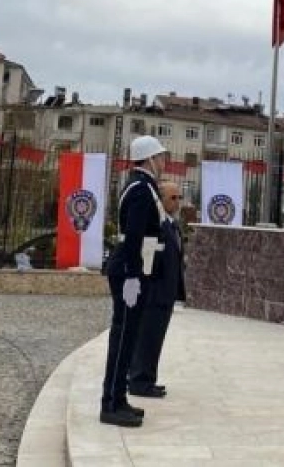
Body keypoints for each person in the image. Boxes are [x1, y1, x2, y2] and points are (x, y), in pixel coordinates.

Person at [99, 135, 168, 427]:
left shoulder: (143, 186)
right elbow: (134, 235)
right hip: (131, 271)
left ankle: (118, 398)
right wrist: (131, 276)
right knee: (123, 337)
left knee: (128, 338)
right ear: (149, 158)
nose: (163, 161)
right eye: (160, 156)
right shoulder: (141, 189)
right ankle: (110, 404)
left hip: (136, 269)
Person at [128, 180, 187, 398]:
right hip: (155, 293)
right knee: (147, 338)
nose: (177, 202)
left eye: (179, 197)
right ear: (161, 200)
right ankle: (139, 381)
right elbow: (148, 260)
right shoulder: (156, 225)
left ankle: (148, 378)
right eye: (173, 198)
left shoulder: (172, 225)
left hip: (166, 293)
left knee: (155, 339)